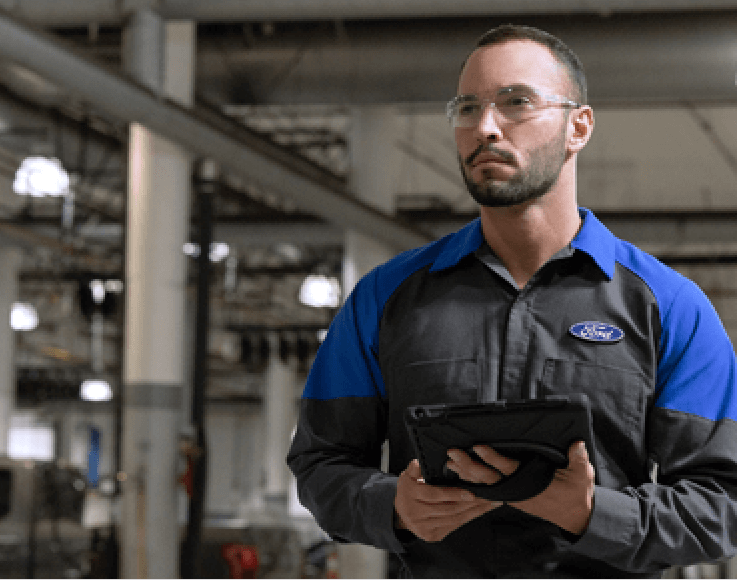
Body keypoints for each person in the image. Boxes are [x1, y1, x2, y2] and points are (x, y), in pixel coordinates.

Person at [287, 23, 737, 578]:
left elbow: (724, 498)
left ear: (579, 126)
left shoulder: (670, 308)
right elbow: (320, 462)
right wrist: (393, 506)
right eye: (467, 107)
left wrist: (594, 514)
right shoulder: (384, 298)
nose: (486, 127)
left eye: (516, 102)